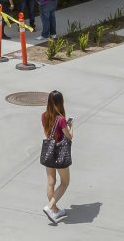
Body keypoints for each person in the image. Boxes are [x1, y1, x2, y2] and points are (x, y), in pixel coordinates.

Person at [40, 89, 74, 223]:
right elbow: (69, 137)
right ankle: (50, 206)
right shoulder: (61, 119)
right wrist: (71, 126)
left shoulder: (44, 115)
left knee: (51, 182)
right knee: (65, 182)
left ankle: (54, 211)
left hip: (49, 153)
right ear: (60, 103)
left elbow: (47, 134)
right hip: (60, 154)